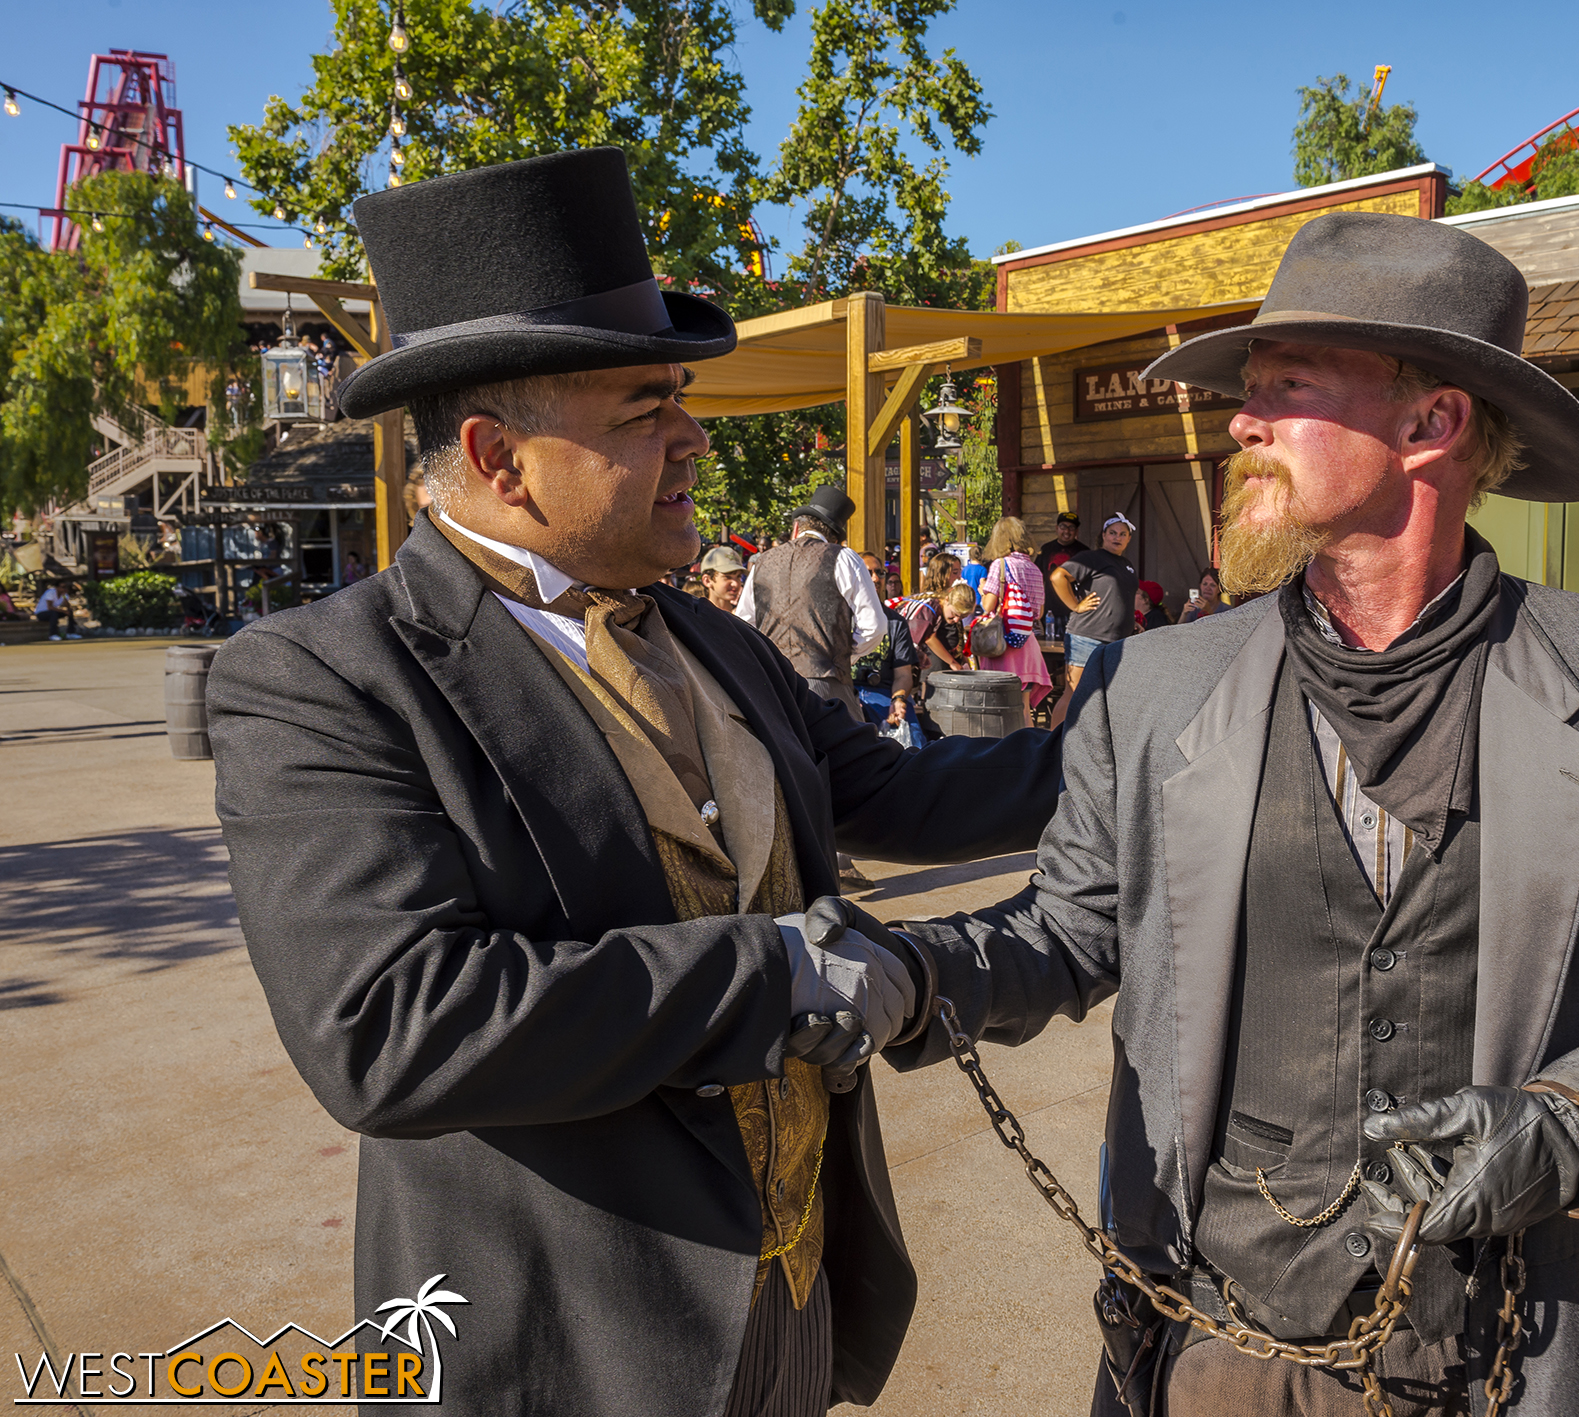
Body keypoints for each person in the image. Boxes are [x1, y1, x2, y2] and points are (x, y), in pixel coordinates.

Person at [847, 213, 1579, 1417]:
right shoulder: (1157, 685)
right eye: (1248, 394)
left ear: (1429, 425)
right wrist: (914, 971)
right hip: (1216, 1347)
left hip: (1504, 1352)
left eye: (1283, 391)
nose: (1241, 424)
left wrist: (1568, 1129)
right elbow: (1075, 927)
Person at [205, 149, 1062, 1417]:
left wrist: (1138, 739)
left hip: (789, 1299)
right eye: (643, 411)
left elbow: (891, 795)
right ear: (500, 457)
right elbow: (390, 1027)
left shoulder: (711, 639)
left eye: (682, 399)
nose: (694, 440)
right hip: (559, 1349)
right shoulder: (324, 678)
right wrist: (771, 970)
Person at [735, 486, 885, 724]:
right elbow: (874, 627)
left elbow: (743, 623)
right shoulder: (843, 557)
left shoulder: (762, 562)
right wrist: (841, 656)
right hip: (825, 683)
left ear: (797, 527)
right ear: (836, 536)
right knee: (846, 754)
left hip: (773, 681)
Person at [1048, 513, 1138, 728]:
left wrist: (1131, 620)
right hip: (1087, 636)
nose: (1117, 537)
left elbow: (1120, 596)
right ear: (1104, 535)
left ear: (1128, 539)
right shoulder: (1091, 558)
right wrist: (1075, 605)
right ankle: (1050, 744)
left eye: (1123, 534)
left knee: (1106, 696)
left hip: (1118, 640)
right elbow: (1057, 577)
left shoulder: (1126, 564)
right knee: (1075, 692)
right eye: (1113, 533)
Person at [974, 516, 1051, 726]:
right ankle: (1028, 752)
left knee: (997, 706)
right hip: (1027, 643)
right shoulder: (1035, 570)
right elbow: (1039, 612)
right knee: (1024, 708)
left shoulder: (1000, 565)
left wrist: (982, 591)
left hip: (1002, 643)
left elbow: (988, 606)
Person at [853, 552, 926, 748]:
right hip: (848, 690)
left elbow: (903, 674)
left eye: (880, 572)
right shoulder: (841, 618)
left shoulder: (895, 622)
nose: (875, 578)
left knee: (914, 742)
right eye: (868, 572)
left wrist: (899, 699)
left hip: (886, 691)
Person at [1034, 512, 1090, 636]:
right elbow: (1037, 578)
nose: (1067, 531)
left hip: (1075, 610)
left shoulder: (1084, 551)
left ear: (1076, 531)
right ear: (1056, 528)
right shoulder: (1046, 549)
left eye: (1071, 528)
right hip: (1050, 610)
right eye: (1063, 527)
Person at [699, 542, 749, 615]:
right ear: (707, 581)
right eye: (727, 577)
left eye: (738, 576)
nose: (735, 583)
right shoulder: (697, 617)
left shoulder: (744, 616)